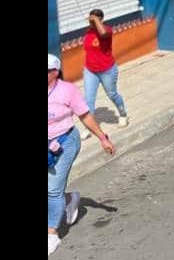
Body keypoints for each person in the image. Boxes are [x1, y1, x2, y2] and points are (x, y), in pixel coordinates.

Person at [48, 54, 116, 255]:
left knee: (52, 189)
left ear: (54, 72)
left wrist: (103, 138)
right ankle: (69, 200)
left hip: (65, 142)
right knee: (53, 189)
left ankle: (52, 234)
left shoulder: (67, 91)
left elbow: (85, 115)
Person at [81, 9, 128, 140]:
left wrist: (95, 19)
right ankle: (89, 128)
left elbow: (102, 33)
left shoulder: (107, 30)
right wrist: (91, 22)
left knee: (112, 94)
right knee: (88, 100)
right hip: (90, 71)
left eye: (94, 20)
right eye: (90, 21)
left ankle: (123, 115)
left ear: (101, 19)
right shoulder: (88, 32)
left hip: (107, 70)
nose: (91, 23)